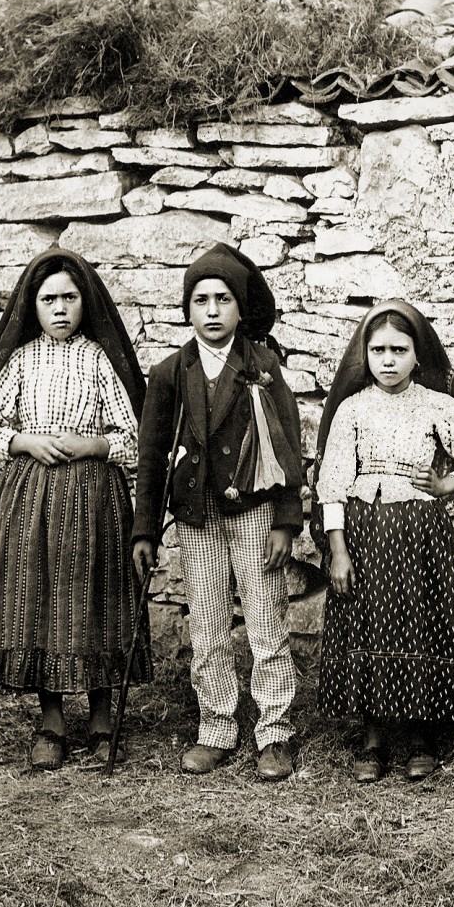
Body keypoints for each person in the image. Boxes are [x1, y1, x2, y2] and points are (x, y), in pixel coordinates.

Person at [0, 249, 152, 771]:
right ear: (34, 306)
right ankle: (50, 720)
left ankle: (99, 714)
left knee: (93, 597)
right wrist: (25, 441)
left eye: (70, 297)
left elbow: (133, 437)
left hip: (93, 496)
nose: (61, 308)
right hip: (31, 496)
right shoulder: (21, 360)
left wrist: (91, 446)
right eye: (49, 299)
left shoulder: (98, 359)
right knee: (39, 598)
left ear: (84, 302)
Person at [132, 243, 304, 780]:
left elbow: (288, 446)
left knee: (264, 618)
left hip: (253, 511)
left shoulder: (262, 365)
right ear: (188, 308)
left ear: (239, 308)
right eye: (201, 299)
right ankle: (216, 726)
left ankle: (275, 731)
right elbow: (152, 453)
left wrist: (285, 518)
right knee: (206, 622)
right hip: (196, 514)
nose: (212, 310)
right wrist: (145, 529)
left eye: (223, 299)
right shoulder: (169, 372)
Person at [311, 299, 454, 783]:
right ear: (364, 355)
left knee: (418, 621)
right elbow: (332, 482)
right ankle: (374, 736)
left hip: (420, 535)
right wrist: (338, 550)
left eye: (399, 349)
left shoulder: (437, 405)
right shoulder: (351, 410)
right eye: (378, 350)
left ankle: (421, 733)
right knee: (370, 622)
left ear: (419, 354)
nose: (388, 360)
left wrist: (447, 484)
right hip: (364, 533)